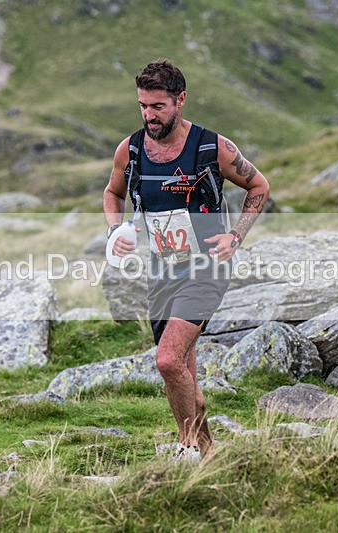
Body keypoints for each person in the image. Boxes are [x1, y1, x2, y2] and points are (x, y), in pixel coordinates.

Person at [103, 59, 270, 460]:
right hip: (161, 270)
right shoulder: (131, 149)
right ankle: (209, 455)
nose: (149, 115)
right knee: (182, 371)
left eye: (158, 106)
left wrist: (236, 235)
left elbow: (258, 186)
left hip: (205, 268)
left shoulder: (215, 148)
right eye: (143, 105)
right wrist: (116, 231)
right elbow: (113, 195)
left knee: (166, 359)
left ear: (181, 100)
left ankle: (187, 446)